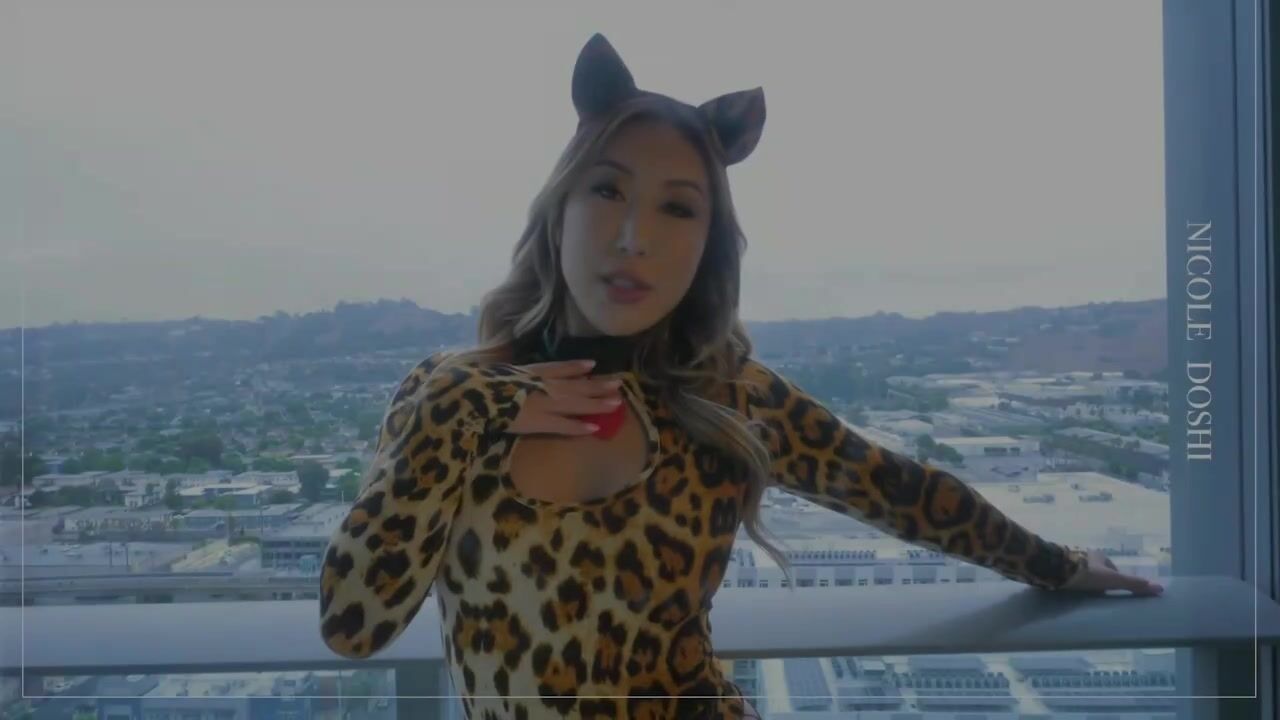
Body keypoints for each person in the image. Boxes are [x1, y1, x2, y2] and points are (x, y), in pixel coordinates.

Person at [318, 33, 1164, 720]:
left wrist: (1056, 565)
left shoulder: (729, 396)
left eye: (678, 207)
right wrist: (462, 409)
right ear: (559, 209)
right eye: (608, 192)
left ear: (707, 245)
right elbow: (356, 624)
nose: (634, 237)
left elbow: (901, 492)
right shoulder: (449, 395)